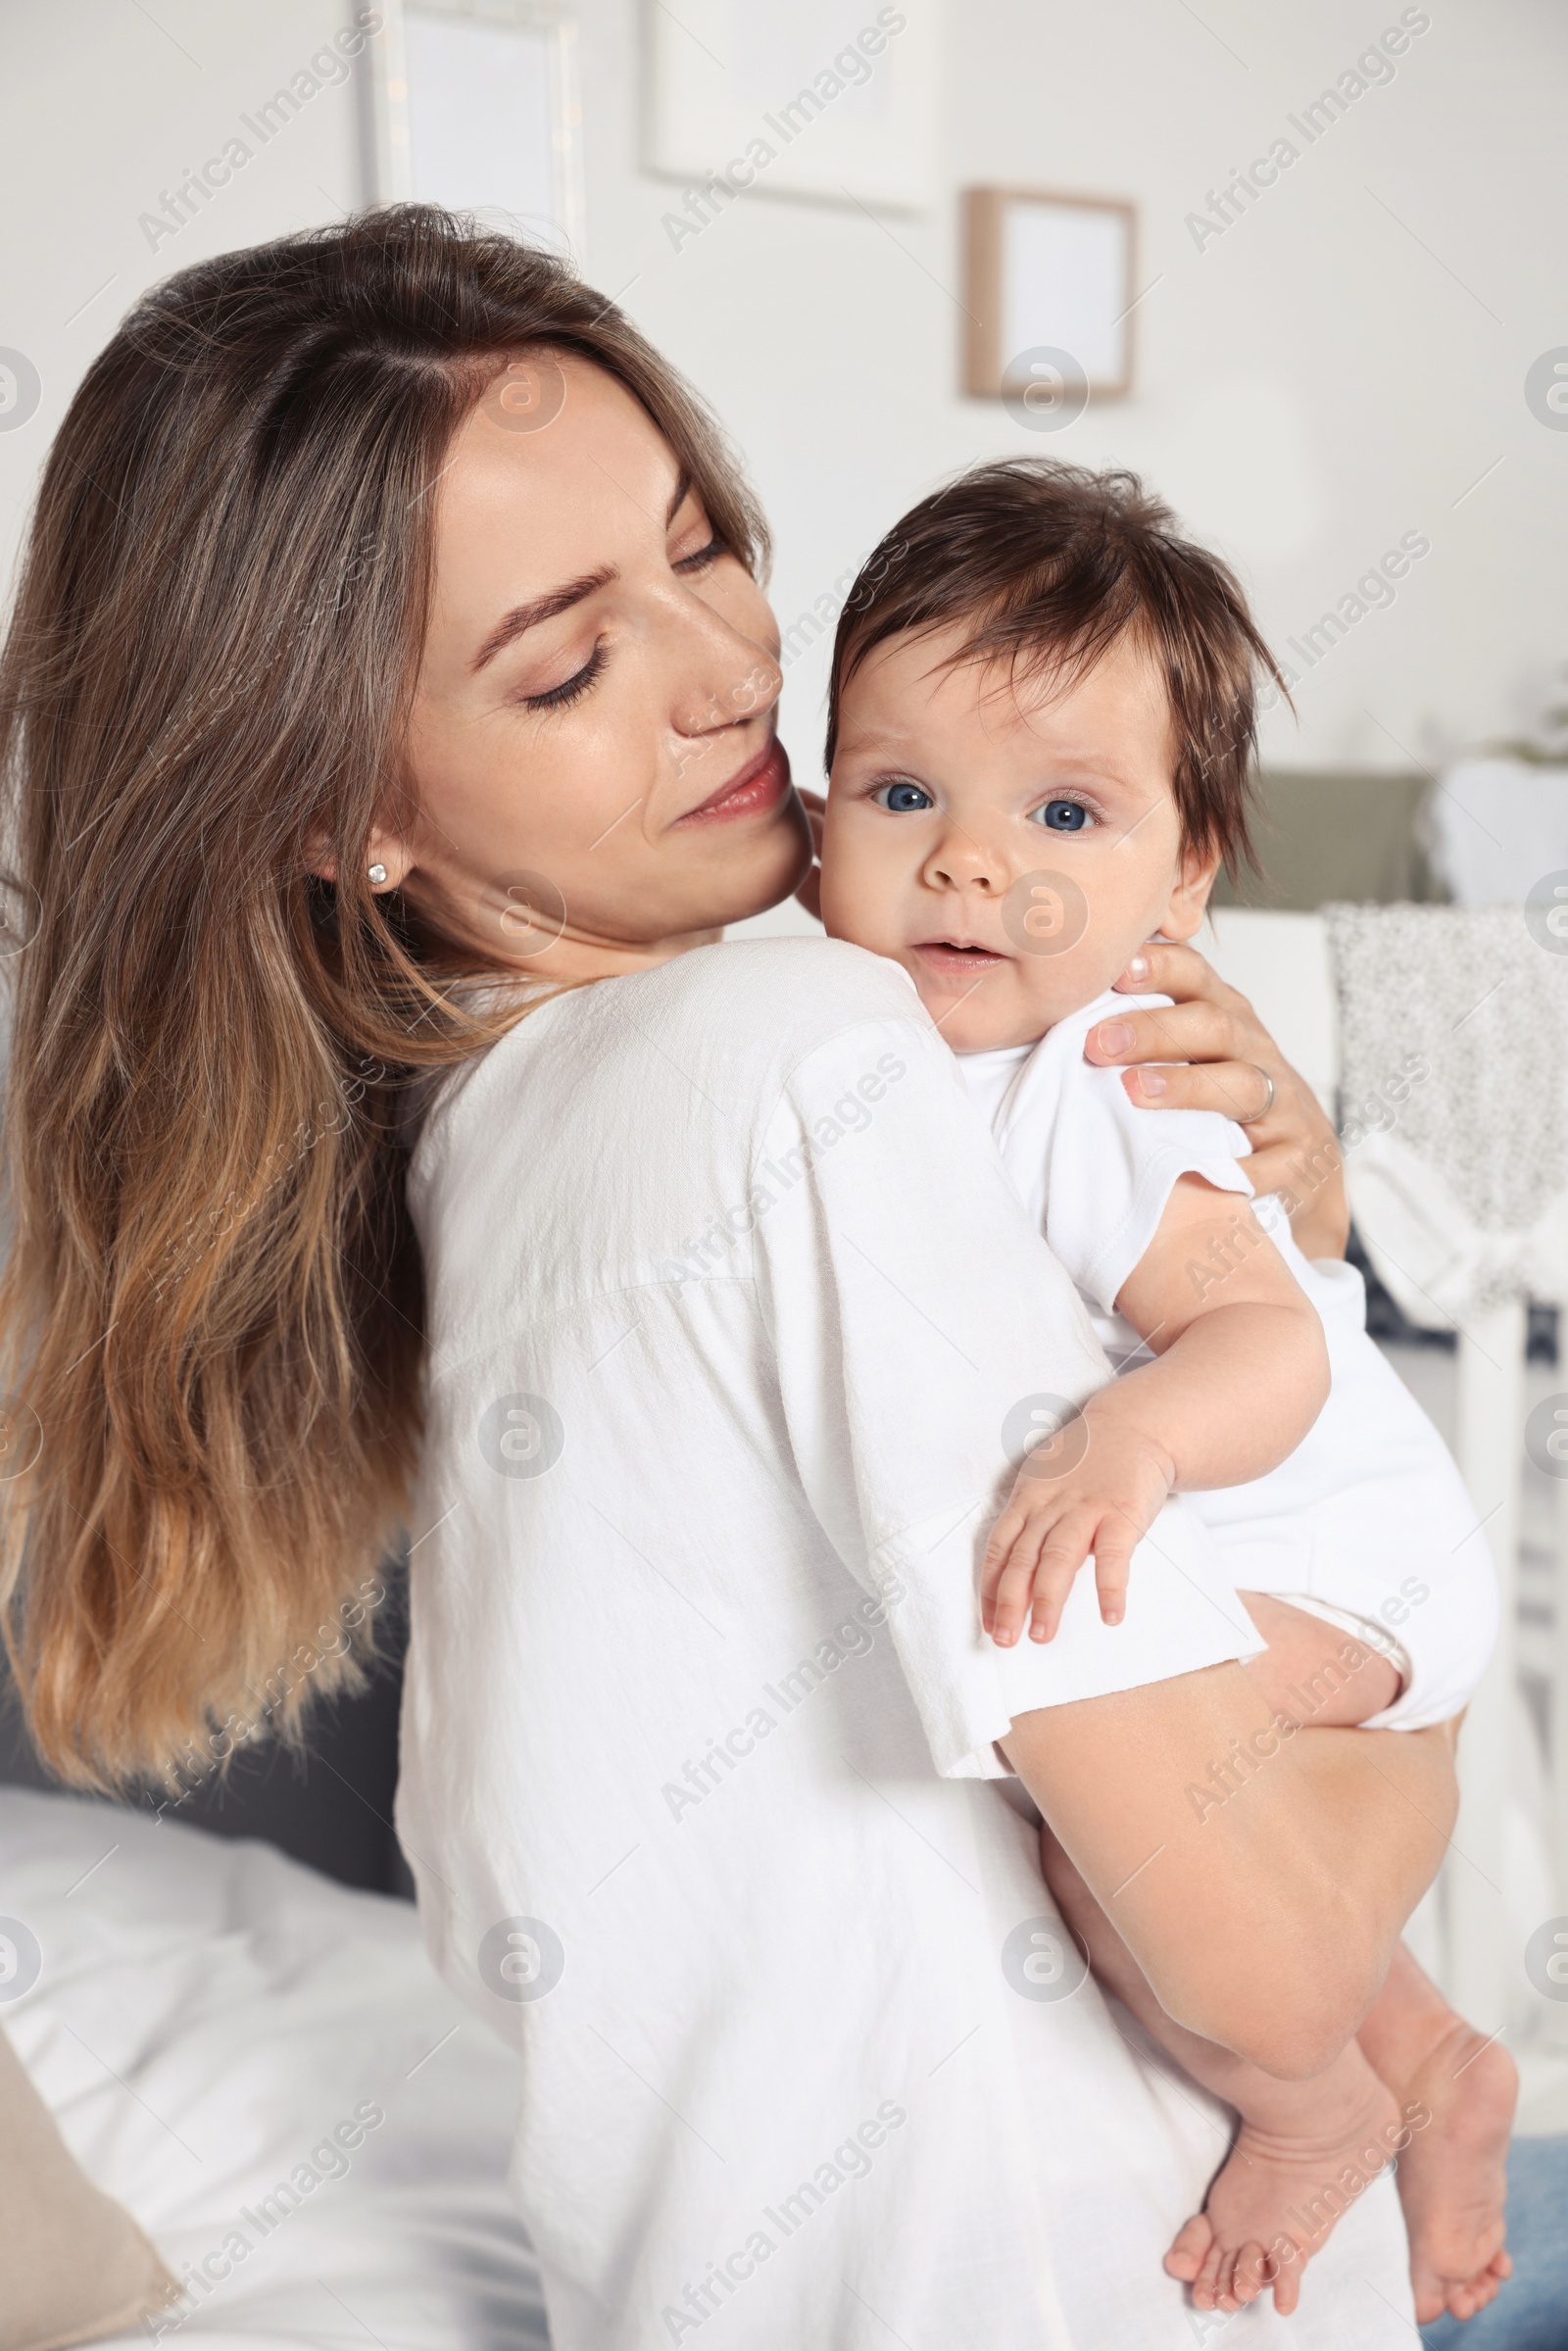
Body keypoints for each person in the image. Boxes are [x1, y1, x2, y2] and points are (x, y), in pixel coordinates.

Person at [0, 209, 1442, 2348]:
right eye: (568, 660)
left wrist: (1242, 1218)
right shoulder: (785, 1066)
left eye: (700, 543)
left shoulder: (517, 1150)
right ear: (335, 814)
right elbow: (1289, 1957)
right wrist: (1414, 1676)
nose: (728, 667)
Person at [813, 457, 1515, 2325]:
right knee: (1192, 1825)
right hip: (1289, 1540)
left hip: (1332, 1543)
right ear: (817, 823)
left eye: (1063, 808)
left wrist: (1125, 1436)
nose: (970, 859)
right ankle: (1444, 2061)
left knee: (1122, 1849)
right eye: (900, 795)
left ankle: (1314, 2108)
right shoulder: (892, 1047)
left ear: (1179, 875)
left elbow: (1269, 1343)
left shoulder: (1102, 1072)